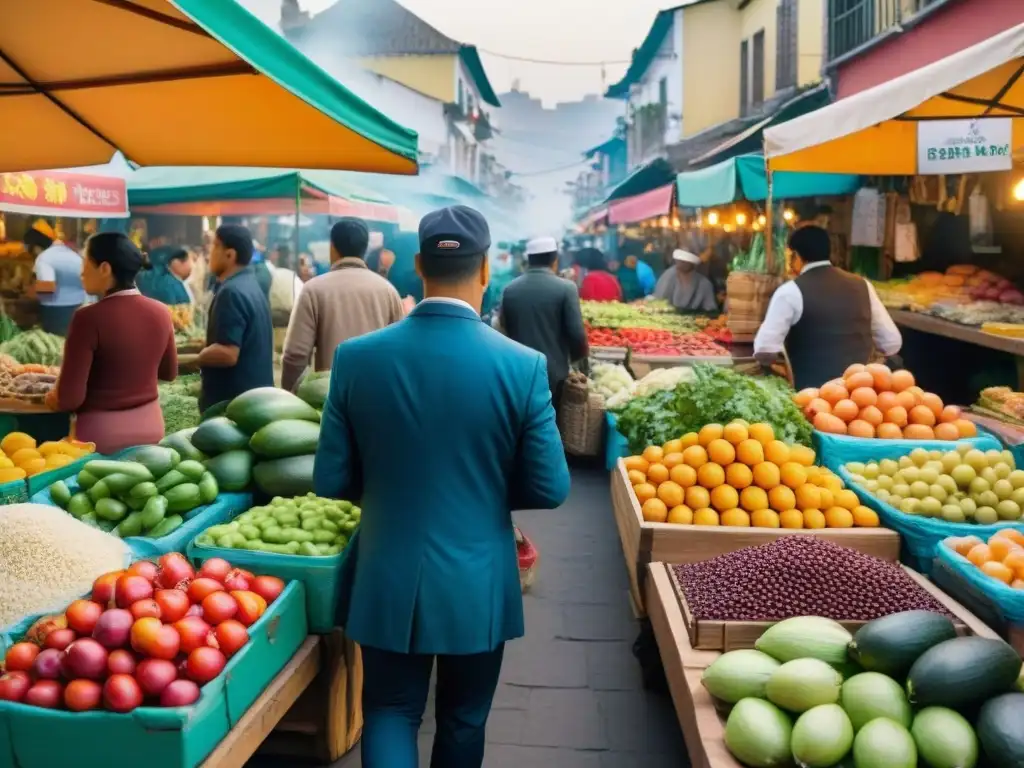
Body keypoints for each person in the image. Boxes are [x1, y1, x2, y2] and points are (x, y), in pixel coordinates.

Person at [314, 205, 569, 768]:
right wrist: (484, 486)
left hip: (386, 566)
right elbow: (551, 487)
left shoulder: (355, 359)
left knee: (388, 710)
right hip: (478, 573)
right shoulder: (523, 365)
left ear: (416, 267)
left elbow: (329, 480)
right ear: (484, 273)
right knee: (463, 717)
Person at [46, 233, 177, 454]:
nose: (81, 271)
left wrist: (50, 397)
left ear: (105, 268)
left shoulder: (87, 318)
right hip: (152, 432)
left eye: (85, 261)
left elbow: (69, 399)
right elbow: (169, 373)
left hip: (99, 440)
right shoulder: (161, 312)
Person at [754, 225, 903, 390]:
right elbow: (891, 343)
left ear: (796, 255)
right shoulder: (863, 286)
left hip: (812, 398)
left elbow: (765, 349)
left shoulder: (790, 291)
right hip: (859, 398)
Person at [281, 218, 403, 393]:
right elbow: (398, 352)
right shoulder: (388, 291)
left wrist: (294, 396)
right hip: (377, 395)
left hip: (328, 398)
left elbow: (295, 355)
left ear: (333, 247)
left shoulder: (314, 289)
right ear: (365, 249)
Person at [499, 236, 589, 402]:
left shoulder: (510, 289)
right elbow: (577, 335)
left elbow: (503, 329)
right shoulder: (566, 288)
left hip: (517, 373)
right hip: (553, 375)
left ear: (529, 260)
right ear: (554, 260)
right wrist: (578, 362)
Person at [198, 225, 274, 411]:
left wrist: (196, 357)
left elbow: (227, 354)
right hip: (254, 399)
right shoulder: (250, 284)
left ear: (230, 255)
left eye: (215, 246)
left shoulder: (231, 292)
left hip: (233, 406)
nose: (210, 253)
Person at [25, 220, 86, 336]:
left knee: (57, 344)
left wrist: (31, 294)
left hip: (58, 311)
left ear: (36, 246)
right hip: (80, 304)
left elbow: (47, 288)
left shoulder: (44, 258)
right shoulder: (68, 252)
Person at [652, 249, 719, 312]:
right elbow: (657, 301)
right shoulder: (668, 276)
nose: (681, 262)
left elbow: (710, 311)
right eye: (679, 259)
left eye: (685, 260)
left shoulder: (705, 284)